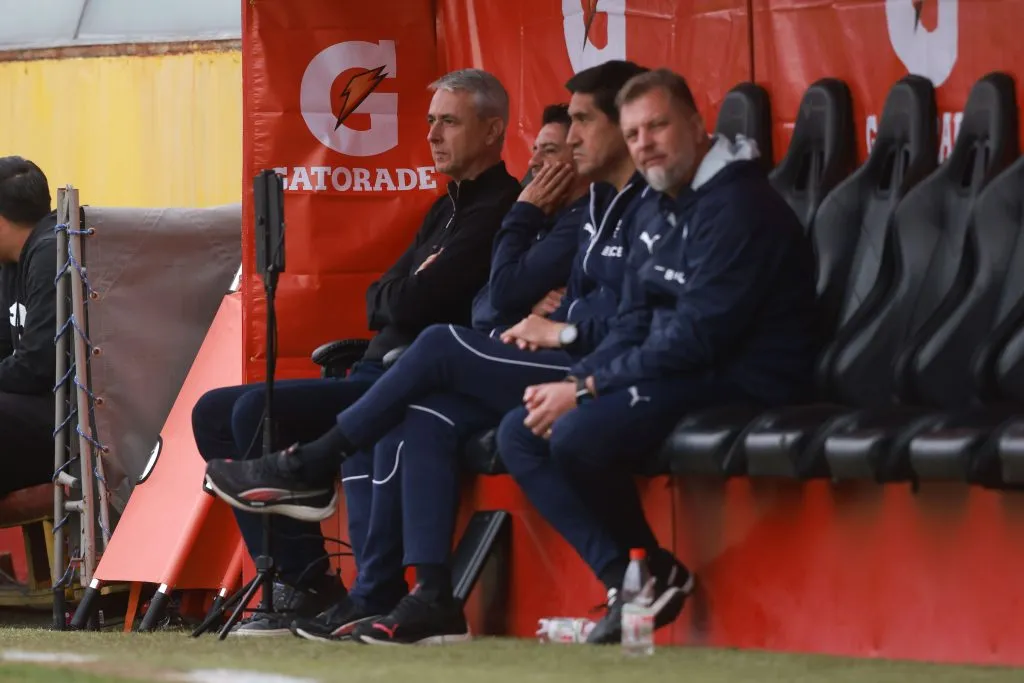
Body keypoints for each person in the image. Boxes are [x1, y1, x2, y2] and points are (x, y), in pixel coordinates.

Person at [205, 60, 656, 646]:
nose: (559, 152)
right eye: (429, 122)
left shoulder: (539, 207)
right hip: (472, 357)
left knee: (432, 349)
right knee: (417, 412)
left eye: (576, 128)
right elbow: (431, 300)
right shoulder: (484, 208)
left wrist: (562, 320)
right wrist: (538, 303)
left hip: (583, 363)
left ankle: (313, 484)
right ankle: (428, 595)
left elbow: (484, 301)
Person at [191, 68, 521, 635]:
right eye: (431, 121)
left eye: (449, 122)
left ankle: (304, 581)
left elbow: (415, 301)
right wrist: (405, 290)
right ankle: (310, 579)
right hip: (372, 368)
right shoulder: (444, 209)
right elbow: (381, 298)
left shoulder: (499, 209)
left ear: (493, 130)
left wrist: (404, 292)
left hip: (408, 378)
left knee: (252, 412)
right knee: (211, 411)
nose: (433, 135)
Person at [498, 68, 819, 643]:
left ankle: (648, 573)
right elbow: (635, 321)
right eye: (634, 133)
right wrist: (580, 378)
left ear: (696, 126)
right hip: (685, 368)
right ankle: (633, 579)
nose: (645, 144)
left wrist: (588, 389)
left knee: (577, 433)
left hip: (746, 376)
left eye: (658, 127)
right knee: (521, 430)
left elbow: (698, 337)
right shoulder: (662, 203)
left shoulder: (739, 205)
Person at [472, 103, 586, 335]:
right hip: (503, 339)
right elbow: (479, 309)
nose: (533, 161)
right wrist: (526, 312)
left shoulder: (580, 222)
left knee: (436, 339)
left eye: (549, 150)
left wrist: (524, 210)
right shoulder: (545, 217)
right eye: (535, 150)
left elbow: (502, 293)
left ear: (582, 156)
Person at [0, 157, 58, 498]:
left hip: (70, 425)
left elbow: (37, 366)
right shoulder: (11, 260)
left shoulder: (52, 252)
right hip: (30, 414)